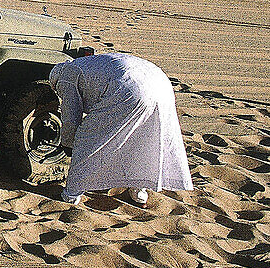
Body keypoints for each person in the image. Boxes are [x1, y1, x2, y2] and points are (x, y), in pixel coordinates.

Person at [50, 52, 193, 205]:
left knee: (86, 140)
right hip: (160, 84)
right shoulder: (83, 64)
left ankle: (71, 195)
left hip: (130, 90)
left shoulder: (64, 76)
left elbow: (71, 114)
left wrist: (68, 143)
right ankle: (139, 192)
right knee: (144, 138)